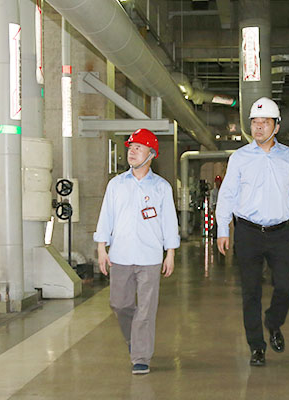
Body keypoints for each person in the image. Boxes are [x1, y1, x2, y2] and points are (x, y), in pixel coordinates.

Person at [216, 97, 289, 367]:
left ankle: (273, 321)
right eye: (254, 123)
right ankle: (256, 346)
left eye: (264, 122)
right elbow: (228, 194)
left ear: (276, 126)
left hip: (281, 233)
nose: (258, 127)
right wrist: (223, 229)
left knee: (286, 285)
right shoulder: (240, 158)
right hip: (248, 232)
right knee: (251, 291)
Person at [94, 128, 180, 375]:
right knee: (119, 304)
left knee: (146, 310)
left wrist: (170, 253)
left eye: (138, 148)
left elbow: (169, 222)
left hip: (150, 258)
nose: (132, 152)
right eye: (131, 147)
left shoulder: (161, 187)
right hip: (120, 256)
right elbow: (106, 217)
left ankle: (141, 356)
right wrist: (101, 248)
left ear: (151, 154)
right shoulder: (116, 185)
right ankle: (135, 339)